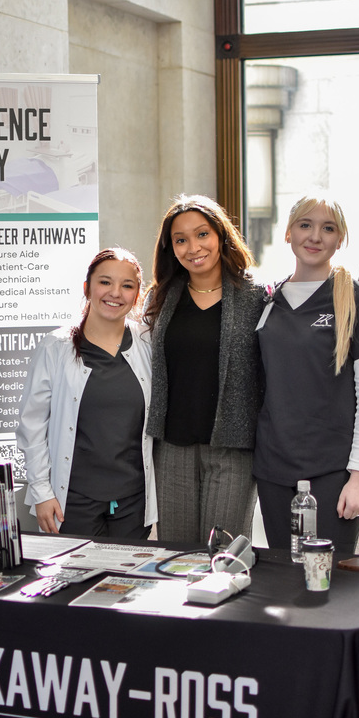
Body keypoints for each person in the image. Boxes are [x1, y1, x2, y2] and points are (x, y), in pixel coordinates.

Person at [253, 193, 359, 554]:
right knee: (283, 578)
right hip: (272, 471)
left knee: (329, 580)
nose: (315, 236)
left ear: (339, 239)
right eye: (305, 225)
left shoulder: (358, 299)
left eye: (327, 229)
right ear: (288, 233)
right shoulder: (267, 301)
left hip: (333, 472)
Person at [144, 194, 264, 545]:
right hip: (172, 448)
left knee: (223, 557)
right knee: (176, 557)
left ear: (221, 235)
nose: (193, 247)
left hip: (233, 449)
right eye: (180, 240)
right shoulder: (160, 297)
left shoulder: (256, 297)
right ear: (171, 248)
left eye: (202, 234)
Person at [16, 247, 157, 538]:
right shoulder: (56, 346)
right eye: (105, 282)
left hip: (133, 501)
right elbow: (32, 426)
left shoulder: (148, 343)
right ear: (87, 288)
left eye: (127, 286)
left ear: (136, 295)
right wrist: (41, 492)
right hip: (71, 502)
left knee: (129, 569)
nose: (115, 293)